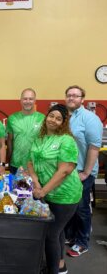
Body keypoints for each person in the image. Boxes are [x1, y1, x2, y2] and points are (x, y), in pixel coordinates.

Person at [27, 104, 82, 274]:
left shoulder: (66, 140)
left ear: (64, 122)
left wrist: (43, 191)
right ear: (47, 116)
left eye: (59, 118)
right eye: (51, 116)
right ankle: (60, 265)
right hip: (46, 192)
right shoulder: (40, 137)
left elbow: (65, 170)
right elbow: (30, 161)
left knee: (51, 233)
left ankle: (53, 271)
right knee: (58, 231)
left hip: (65, 194)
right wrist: (36, 181)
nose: (53, 120)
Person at [64, 85, 103, 257]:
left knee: (81, 208)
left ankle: (82, 241)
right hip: (67, 170)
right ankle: (71, 235)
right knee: (69, 205)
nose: (71, 98)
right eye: (69, 95)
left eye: (75, 95)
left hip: (82, 172)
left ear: (82, 99)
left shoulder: (90, 119)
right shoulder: (65, 116)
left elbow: (94, 147)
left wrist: (86, 173)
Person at [6, 88, 45, 173]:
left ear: (35, 100)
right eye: (25, 98)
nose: (28, 101)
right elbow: (10, 141)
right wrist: (8, 161)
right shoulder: (12, 118)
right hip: (16, 164)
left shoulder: (43, 118)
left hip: (36, 164)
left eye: (30, 99)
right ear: (20, 100)